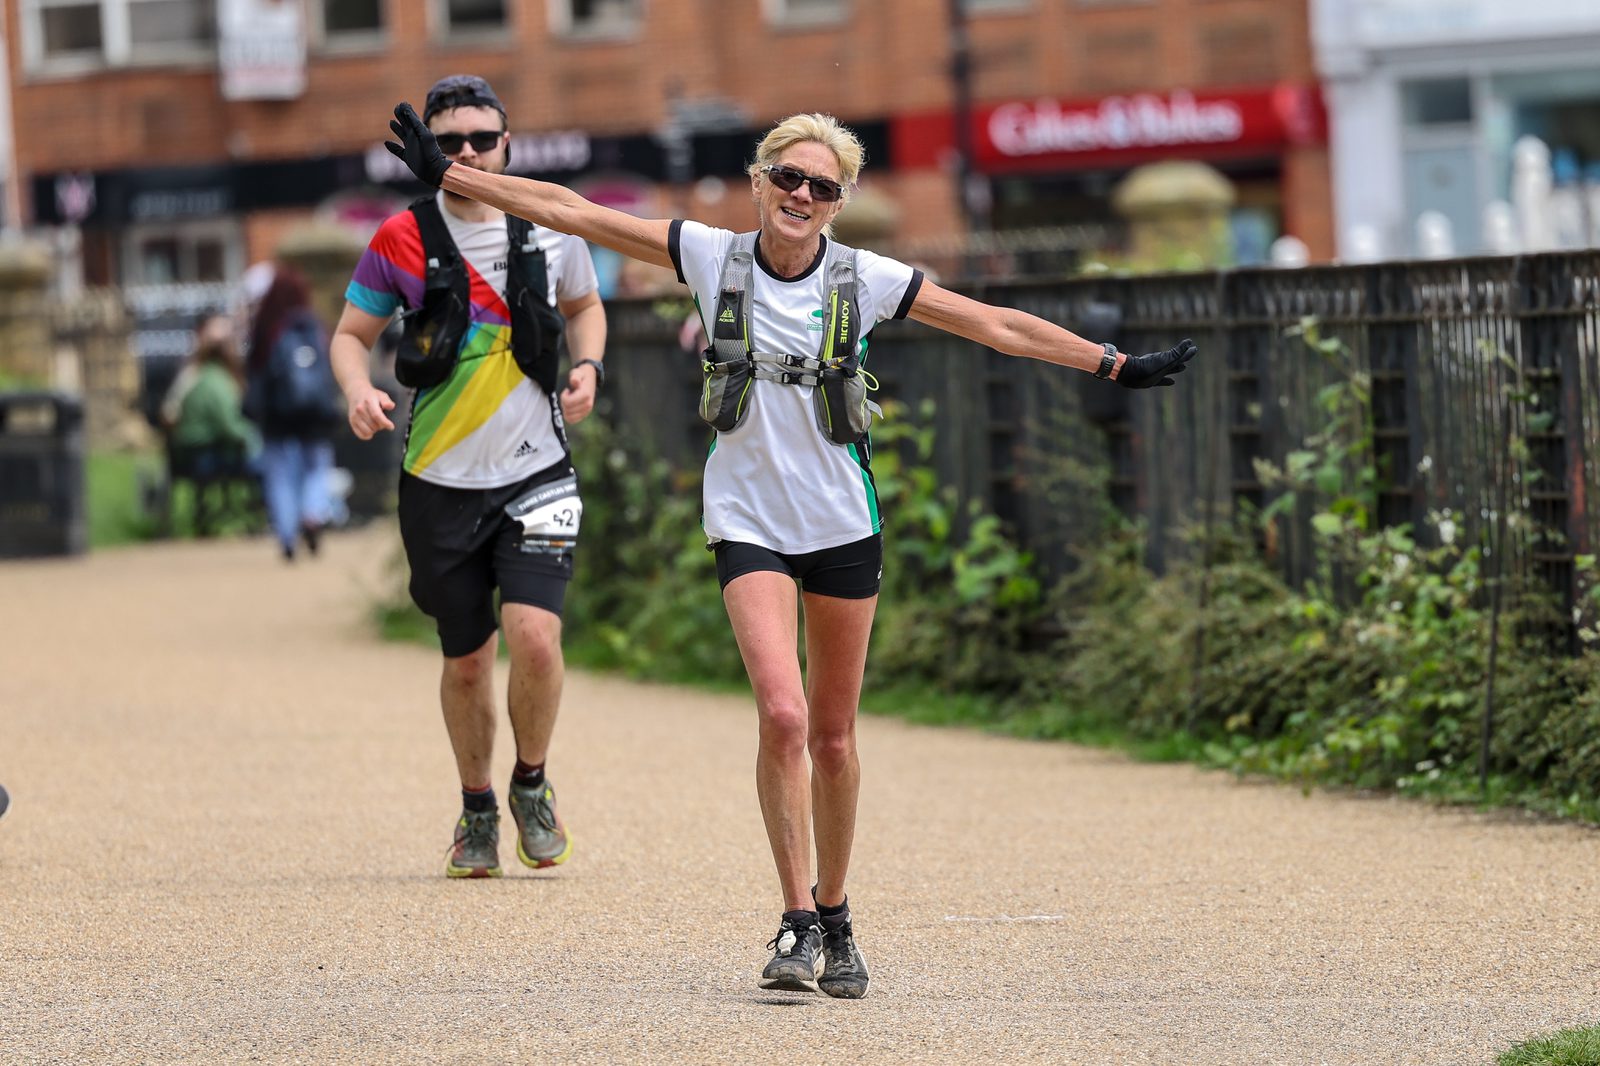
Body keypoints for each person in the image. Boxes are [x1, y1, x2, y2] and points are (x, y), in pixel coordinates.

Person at [384, 102, 1196, 996]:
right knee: (784, 715)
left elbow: (992, 323)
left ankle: (839, 912)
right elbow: (575, 210)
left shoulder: (865, 277)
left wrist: (1112, 363)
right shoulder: (708, 253)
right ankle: (796, 922)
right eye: (788, 178)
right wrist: (454, 177)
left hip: (842, 522)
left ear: (838, 202)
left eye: (822, 186)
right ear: (760, 182)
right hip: (747, 522)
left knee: (837, 739)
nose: (802, 195)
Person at [333, 76, 609, 881]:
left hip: (539, 472)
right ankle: (477, 805)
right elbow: (351, 334)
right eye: (449, 143)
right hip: (438, 479)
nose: (465, 156)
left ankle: (532, 782)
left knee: (535, 635)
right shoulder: (400, 237)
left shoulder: (551, 224)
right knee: (466, 659)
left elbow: (587, 305)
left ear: (507, 144)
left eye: (481, 141)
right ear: (429, 151)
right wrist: (358, 388)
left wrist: (588, 365)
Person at [244, 263, 343, 561]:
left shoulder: (266, 328)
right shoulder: (315, 327)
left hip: (277, 417)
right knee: (316, 468)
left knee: (280, 477)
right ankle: (312, 515)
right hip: (314, 416)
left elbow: (254, 374)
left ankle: (287, 536)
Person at [164, 314, 262, 532]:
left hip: (189, 452)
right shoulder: (208, 379)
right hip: (206, 454)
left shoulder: (196, 375)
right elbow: (228, 426)